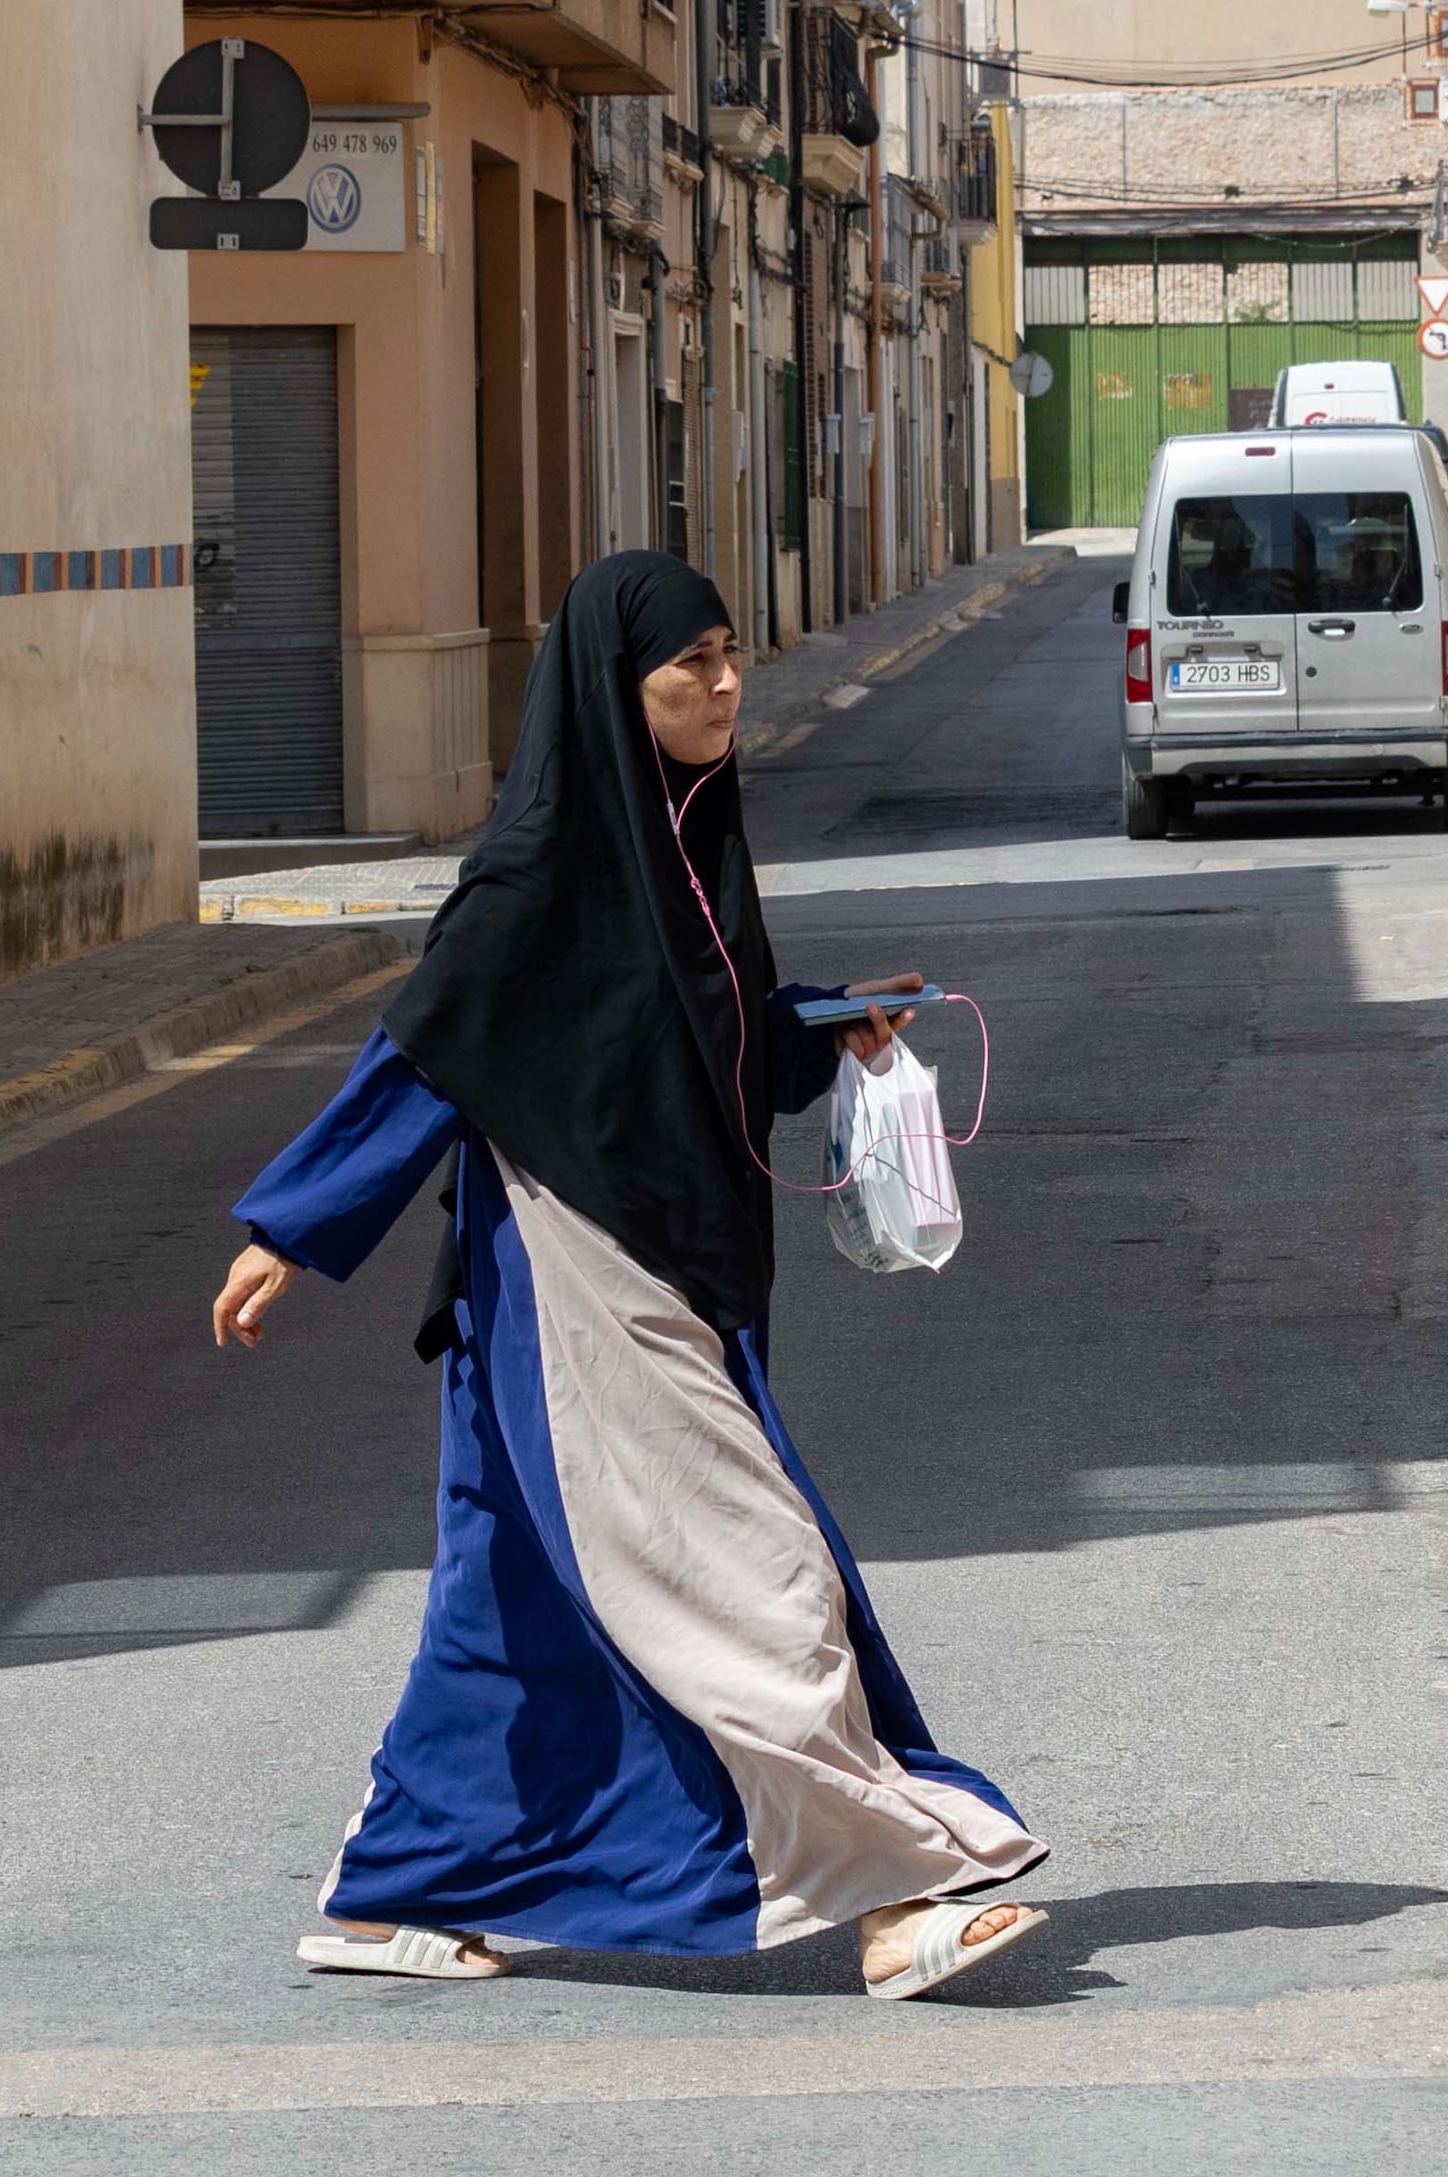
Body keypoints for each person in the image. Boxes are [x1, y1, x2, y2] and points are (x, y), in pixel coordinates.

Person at [209, 551, 1051, 2000]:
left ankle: (396, 1888)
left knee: (510, 1610)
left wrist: (819, 1030)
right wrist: (294, 1221)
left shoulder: (687, 841)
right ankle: (901, 1885)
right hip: (580, 1264)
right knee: (757, 1568)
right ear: (619, 686)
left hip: (667, 1256)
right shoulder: (544, 862)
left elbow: (691, 1044)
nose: (725, 685)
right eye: (692, 666)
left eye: (731, 655)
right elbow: (433, 1045)